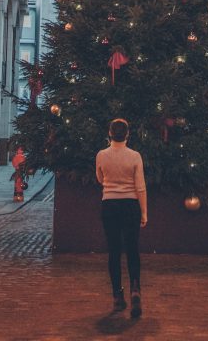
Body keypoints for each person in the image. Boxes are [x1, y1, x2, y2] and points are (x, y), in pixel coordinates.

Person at [95, 118, 147, 318]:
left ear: (110, 133)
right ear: (127, 134)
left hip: (109, 204)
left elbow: (100, 178)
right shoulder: (135, 156)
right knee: (132, 249)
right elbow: (140, 186)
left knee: (114, 251)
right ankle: (135, 288)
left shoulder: (101, 155)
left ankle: (117, 295)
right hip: (130, 204)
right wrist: (143, 212)